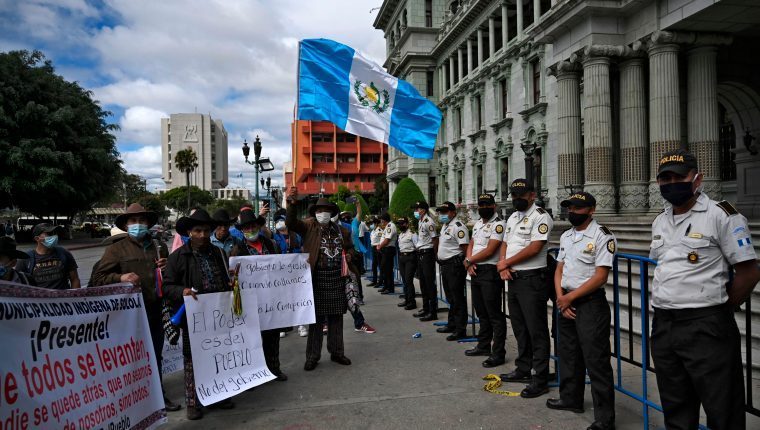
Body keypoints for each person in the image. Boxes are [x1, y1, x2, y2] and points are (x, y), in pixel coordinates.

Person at [649, 149, 760, 430]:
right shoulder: (660, 220)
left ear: (697, 179)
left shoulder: (722, 215)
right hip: (664, 325)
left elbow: (749, 272)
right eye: (665, 178)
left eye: (678, 177)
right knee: (676, 407)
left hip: (706, 326)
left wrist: (723, 308)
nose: (671, 183)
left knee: (722, 408)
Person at [91, 203, 181, 412]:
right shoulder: (116, 249)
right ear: (126, 225)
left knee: (155, 353)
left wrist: (166, 268)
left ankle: (158, 396)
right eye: (133, 221)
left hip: (155, 309)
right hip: (128, 315)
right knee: (129, 358)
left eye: (142, 220)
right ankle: (130, 399)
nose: (138, 224)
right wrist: (120, 277)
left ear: (148, 223)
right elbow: (97, 278)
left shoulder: (160, 246)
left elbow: (167, 277)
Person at [547, 192, 616, 430]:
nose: (572, 212)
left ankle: (604, 419)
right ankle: (570, 398)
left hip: (590, 303)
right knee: (568, 354)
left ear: (591, 210)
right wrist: (560, 298)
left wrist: (569, 298)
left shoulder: (602, 236)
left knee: (596, 360)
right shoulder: (567, 235)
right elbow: (559, 268)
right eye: (569, 208)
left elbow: (600, 276)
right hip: (566, 299)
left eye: (577, 208)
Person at [163, 209, 234, 420]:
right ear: (189, 232)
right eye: (197, 231)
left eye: (205, 230)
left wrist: (229, 285)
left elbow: (225, 278)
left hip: (218, 314)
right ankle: (193, 402)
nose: (202, 235)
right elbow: (167, 286)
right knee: (193, 361)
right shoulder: (177, 257)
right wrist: (182, 291)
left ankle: (218, 395)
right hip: (193, 318)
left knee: (218, 356)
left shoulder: (219, 253)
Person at [286, 189, 353, 371]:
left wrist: (351, 258)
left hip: (337, 278)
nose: (321, 213)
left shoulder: (342, 231)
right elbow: (290, 223)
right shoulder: (308, 226)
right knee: (315, 320)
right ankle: (313, 356)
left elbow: (350, 249)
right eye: (318, 210)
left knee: (336, 319)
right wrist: (291, 204)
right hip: (317, 278)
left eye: (325, 210)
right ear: (314, 213)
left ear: (331, 212)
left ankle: (337, 352)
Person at [497, 179, 553, 399]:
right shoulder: (512, 217)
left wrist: (506, 263)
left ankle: (540, 378)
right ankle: (523, 368)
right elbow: (505, 244)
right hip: (514, 278)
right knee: (520, 327)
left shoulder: (541, 216)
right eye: (513, 195)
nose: (516, 199)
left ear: (532, 195)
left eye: (520, 195)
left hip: (532, 279)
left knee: (536, 330)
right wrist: (503, 265)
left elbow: (535, 247)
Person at [230, 209, 287, 381]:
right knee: (253, 339)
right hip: (250, 301)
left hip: (271, 299)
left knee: (273, 336)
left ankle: (274, 369)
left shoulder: (272, 244)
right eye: (246, 227)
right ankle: (255, 373)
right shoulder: (237, 250)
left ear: (259, 226)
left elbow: (282, 266)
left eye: (253, 226)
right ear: (242, 230)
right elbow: (232, 275)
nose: (250, 230)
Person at [464, 194, 507, 363]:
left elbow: (491, 250)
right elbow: (472, 244)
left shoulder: (498, 225)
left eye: (486, 205)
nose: (483, 208)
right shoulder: (478, 224)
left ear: (494, 206)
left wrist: (469, 260)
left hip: (490, 271)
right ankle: (483, 345)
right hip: (476, 270)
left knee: (494, 314)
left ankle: (498, 353)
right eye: (480, 205)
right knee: (481, 311)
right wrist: (468, 262)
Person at [434, 201, 469, 327]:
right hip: (446, 266)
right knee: (450, 297)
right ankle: (452, 324)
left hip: (455, 266)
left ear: (453, 212)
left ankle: (460, 329)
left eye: (445, 212)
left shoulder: (458, 226)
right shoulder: (445, 225)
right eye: (440, 212)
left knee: (457, 298)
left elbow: (465, 248)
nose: (442, 214)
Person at [17, 223, 80, 289]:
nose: (54, 236)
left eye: (54, 233)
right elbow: (18, 286)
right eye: (49, 234)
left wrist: (72, 297)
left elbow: (75, 279)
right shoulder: (25, 259)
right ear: (37, 238)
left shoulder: (64, 253)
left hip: (62, 298)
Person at [412, 201, 438, 318]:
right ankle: (425, 307)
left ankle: (433, 311)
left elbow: (434, 239)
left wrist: (436, 254)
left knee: (429, 283)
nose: (416, 211)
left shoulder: (429, 222)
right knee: (422, 282)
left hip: (427, 254)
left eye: (418, 209)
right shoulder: (420, 221)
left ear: (424, 210)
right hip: (420, 253)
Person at [396, 217, 418, 309]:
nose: (401, 225)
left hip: (410, 257)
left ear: (407, 224)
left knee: (409, 280)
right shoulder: (400, 234)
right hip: (402, 258)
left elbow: (417, 246)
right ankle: (407, 299)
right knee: (404, 280)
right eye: (399, 224)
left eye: (402, 223)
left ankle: (412, 302)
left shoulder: (412, 234)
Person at [376, 213, 398, 295]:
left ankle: (390, 288)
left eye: (381, 219)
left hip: (388, 249)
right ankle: (386, 286)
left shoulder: (390, 226)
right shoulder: (387, 226)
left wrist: (380, 246)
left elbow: (387, 240)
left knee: (388, 269)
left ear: (384, 219)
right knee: (384, 268)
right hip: (385, 249)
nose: (381, 221)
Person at [368, 218, 384, 287]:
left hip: (378, 248)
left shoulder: (379, 231)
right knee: (374, 265)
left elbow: (381, 240)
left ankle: (380, 281)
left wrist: (379, 247)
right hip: (373, 248)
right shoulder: (373, 231)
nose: (371, 225)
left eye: (373, 223)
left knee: (380, 265)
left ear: (376, 224)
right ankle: (374, 281)